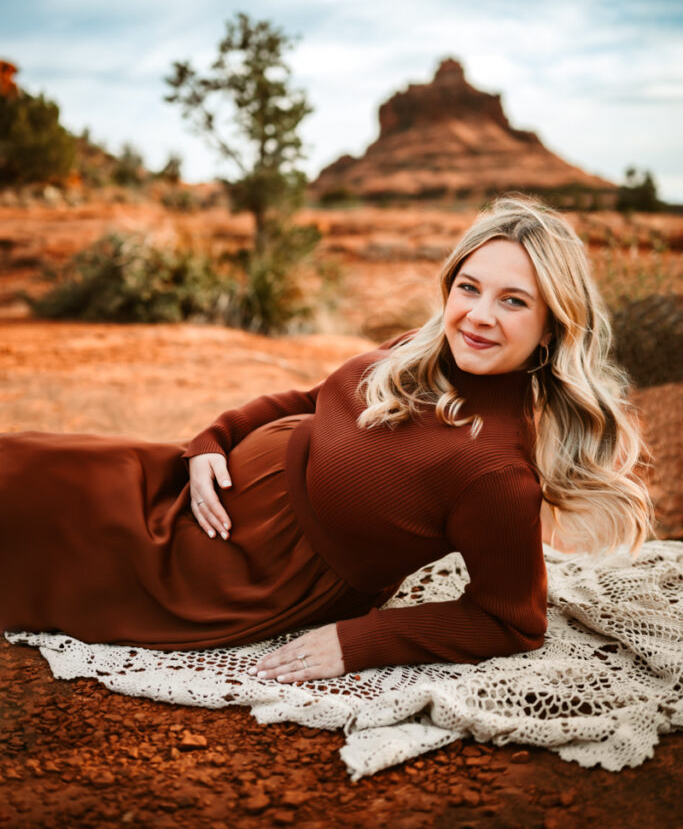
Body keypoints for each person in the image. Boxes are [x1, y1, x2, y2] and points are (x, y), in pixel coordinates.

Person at [0, 196, 653, 684]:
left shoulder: (496, 473)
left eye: (513, 301)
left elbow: (511, 619)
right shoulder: (420, 349)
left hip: (227, 568)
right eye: (469, 288)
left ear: (551, 327)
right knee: (31, 458)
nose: (477, 317)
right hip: (192, 482)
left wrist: (358, 642)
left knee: (28, 511)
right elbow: (311, 400)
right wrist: (211, 441)